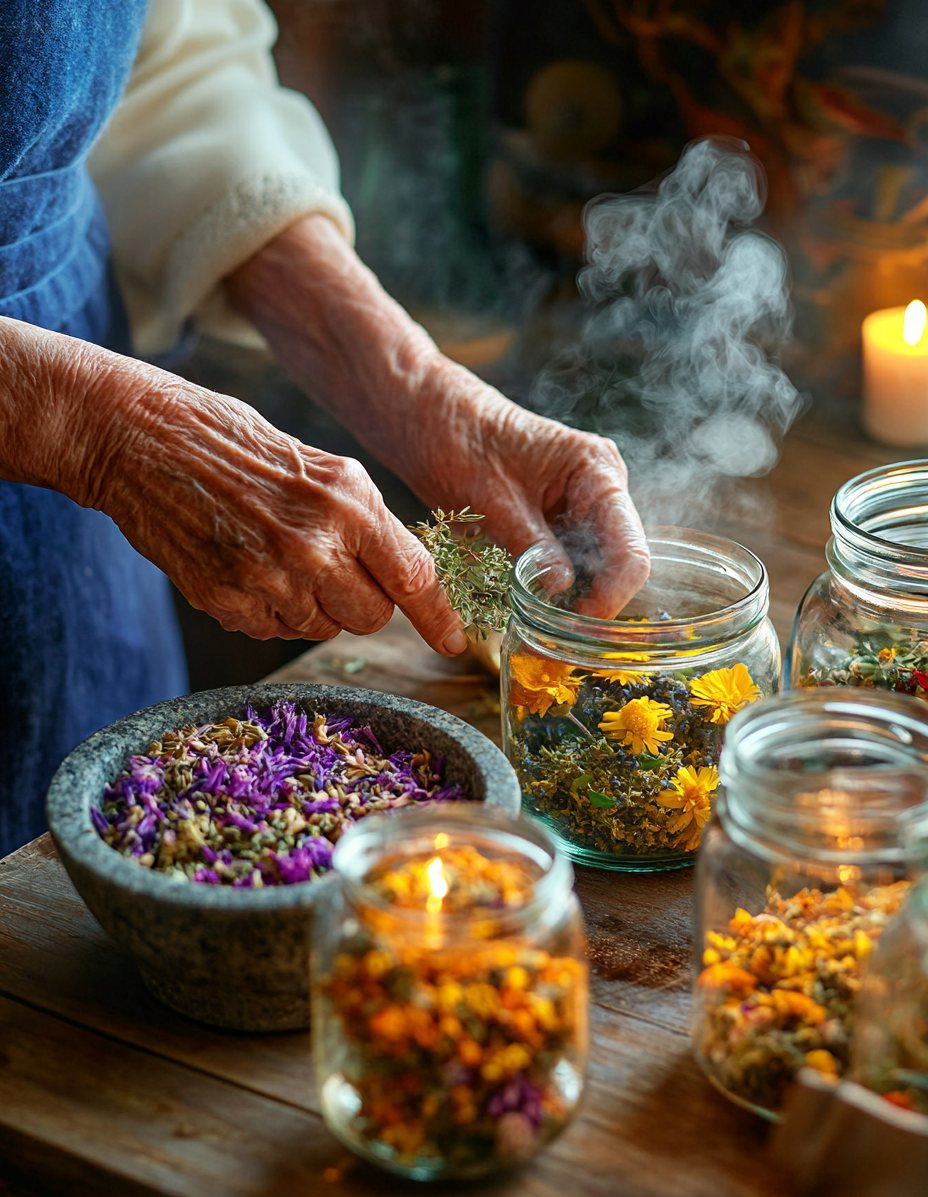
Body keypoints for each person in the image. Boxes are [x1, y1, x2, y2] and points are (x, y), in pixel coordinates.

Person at [0, 0, 649, 857]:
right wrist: (99, 432)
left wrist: (422, 393)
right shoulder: (108, 436)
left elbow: (168, 72)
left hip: (75, 496)